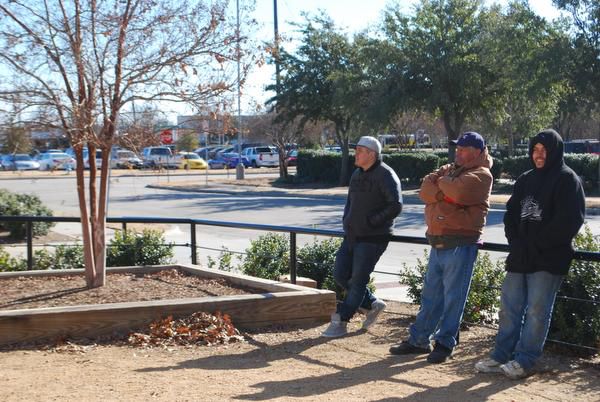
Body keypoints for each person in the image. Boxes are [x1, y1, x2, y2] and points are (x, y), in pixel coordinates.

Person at [475, 129, 585, 379]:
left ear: (555, 151)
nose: (539, 154)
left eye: (544, 150)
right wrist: (516, 242)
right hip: (520, 257)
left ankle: (525, 360)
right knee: (508, 308)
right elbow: (511, 215)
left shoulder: (568, 180)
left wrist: (536, 244)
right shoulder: (525, 179)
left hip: (548, 259)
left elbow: (569, 222)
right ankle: (500, 356)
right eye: (535, 149)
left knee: (537, 311)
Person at [389, 132, 493, 363]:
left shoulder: (481, 174)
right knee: (430, 296)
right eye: (457, 148)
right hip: (439, 241)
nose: (458, 152)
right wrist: (444, 192)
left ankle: (445, 344)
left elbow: (460, 192)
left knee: (453, 298)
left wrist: (442, 187)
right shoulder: (452, 169)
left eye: (463, 149)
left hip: (460, 244)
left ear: (476, 152)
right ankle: (418, 340)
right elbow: (424, 190)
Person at [321, 136, 403, 337]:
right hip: (351, 236)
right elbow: (350, 202)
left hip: (373, 238)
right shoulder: (357, 174)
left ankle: (341, 320)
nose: (355, 154)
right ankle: (372, 303)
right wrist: (347, 219)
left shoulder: (386, 175)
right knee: (340, 275)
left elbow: (395, 205)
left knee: (357, 281)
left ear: (371, 154)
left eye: (359, 150)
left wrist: (371, 222)